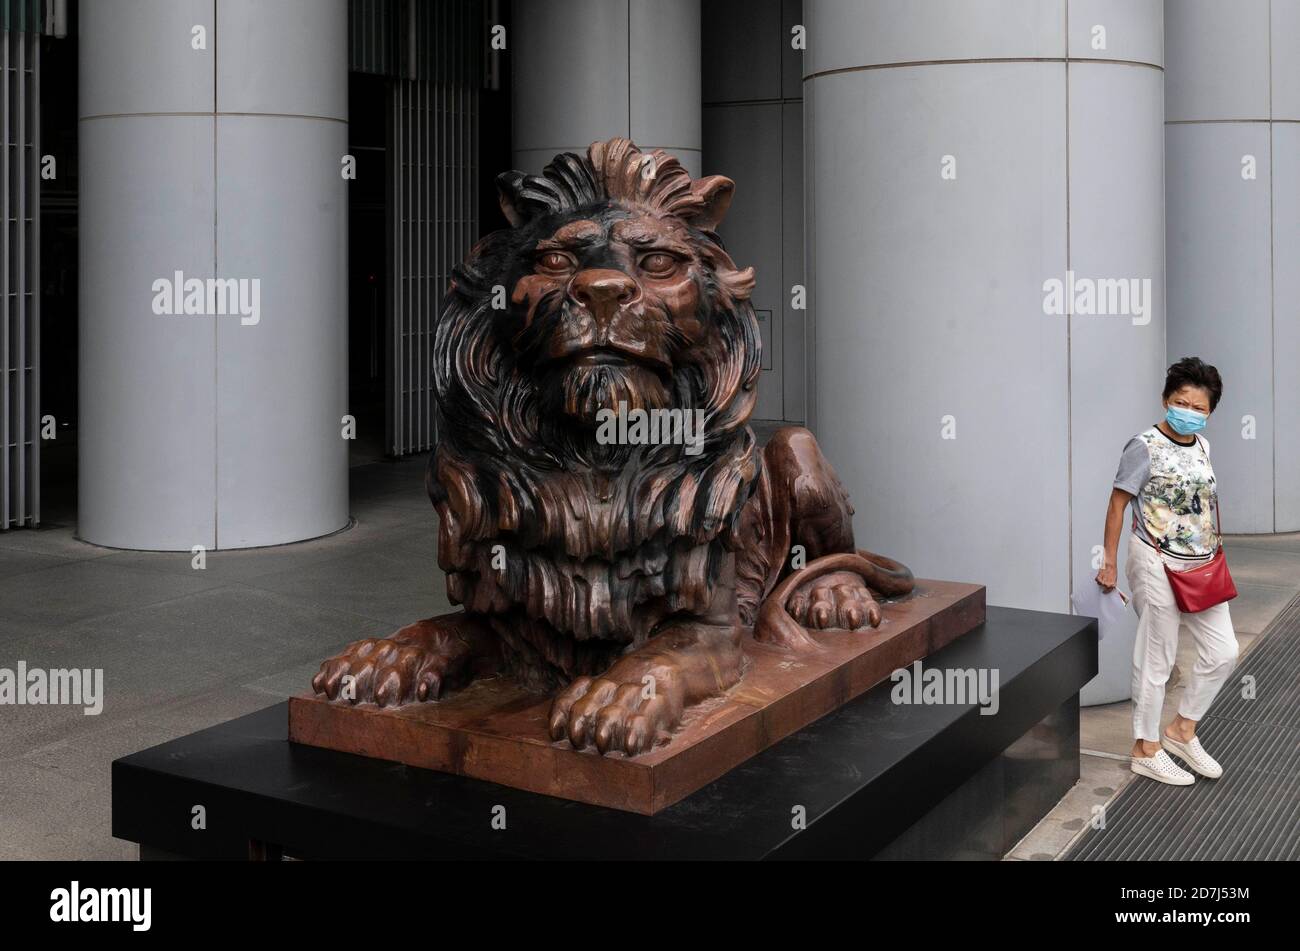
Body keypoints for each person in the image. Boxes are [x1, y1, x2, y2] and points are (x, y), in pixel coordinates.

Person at [1096, 357, 1238, 786]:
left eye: (1199, 408)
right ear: (1164, 400)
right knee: (1158, 657)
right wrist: (1108, 560)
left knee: (1225, 651)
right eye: (1181, 402)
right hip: (1154, 560)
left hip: (1201, 565)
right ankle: (1146, 748)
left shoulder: (1204, 447)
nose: (1189, 412)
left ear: (1211, 412)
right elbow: (1118, 504)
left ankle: (1181, 730)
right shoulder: (1143, 446)